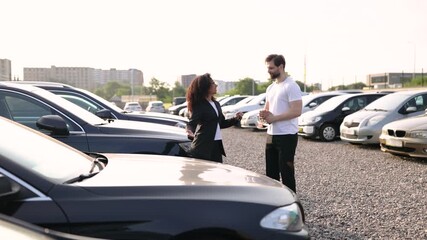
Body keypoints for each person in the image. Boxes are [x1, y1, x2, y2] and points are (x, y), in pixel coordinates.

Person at [259, 54, 302, 192]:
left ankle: (290, 203)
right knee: (270, 174)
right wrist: (264, 115)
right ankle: (275, 202)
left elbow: (296, 111)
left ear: (281, 67)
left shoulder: (291, 86)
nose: (269, 71)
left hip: (287, 135)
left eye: (271, 68)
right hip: (271, 134)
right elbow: (268, 109)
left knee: (286, 172)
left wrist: (274, 118)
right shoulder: (270, 88)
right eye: (268, 68)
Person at [186, 73, 243, 163]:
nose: (216, 85)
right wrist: (189, 131)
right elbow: (191, 123)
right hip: (203, 146)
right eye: (213, 83)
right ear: (206, 87)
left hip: (216, 145)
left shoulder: (216, 103)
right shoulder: (199, 105)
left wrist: (236, 118)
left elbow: (221, 123)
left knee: (217, 173)